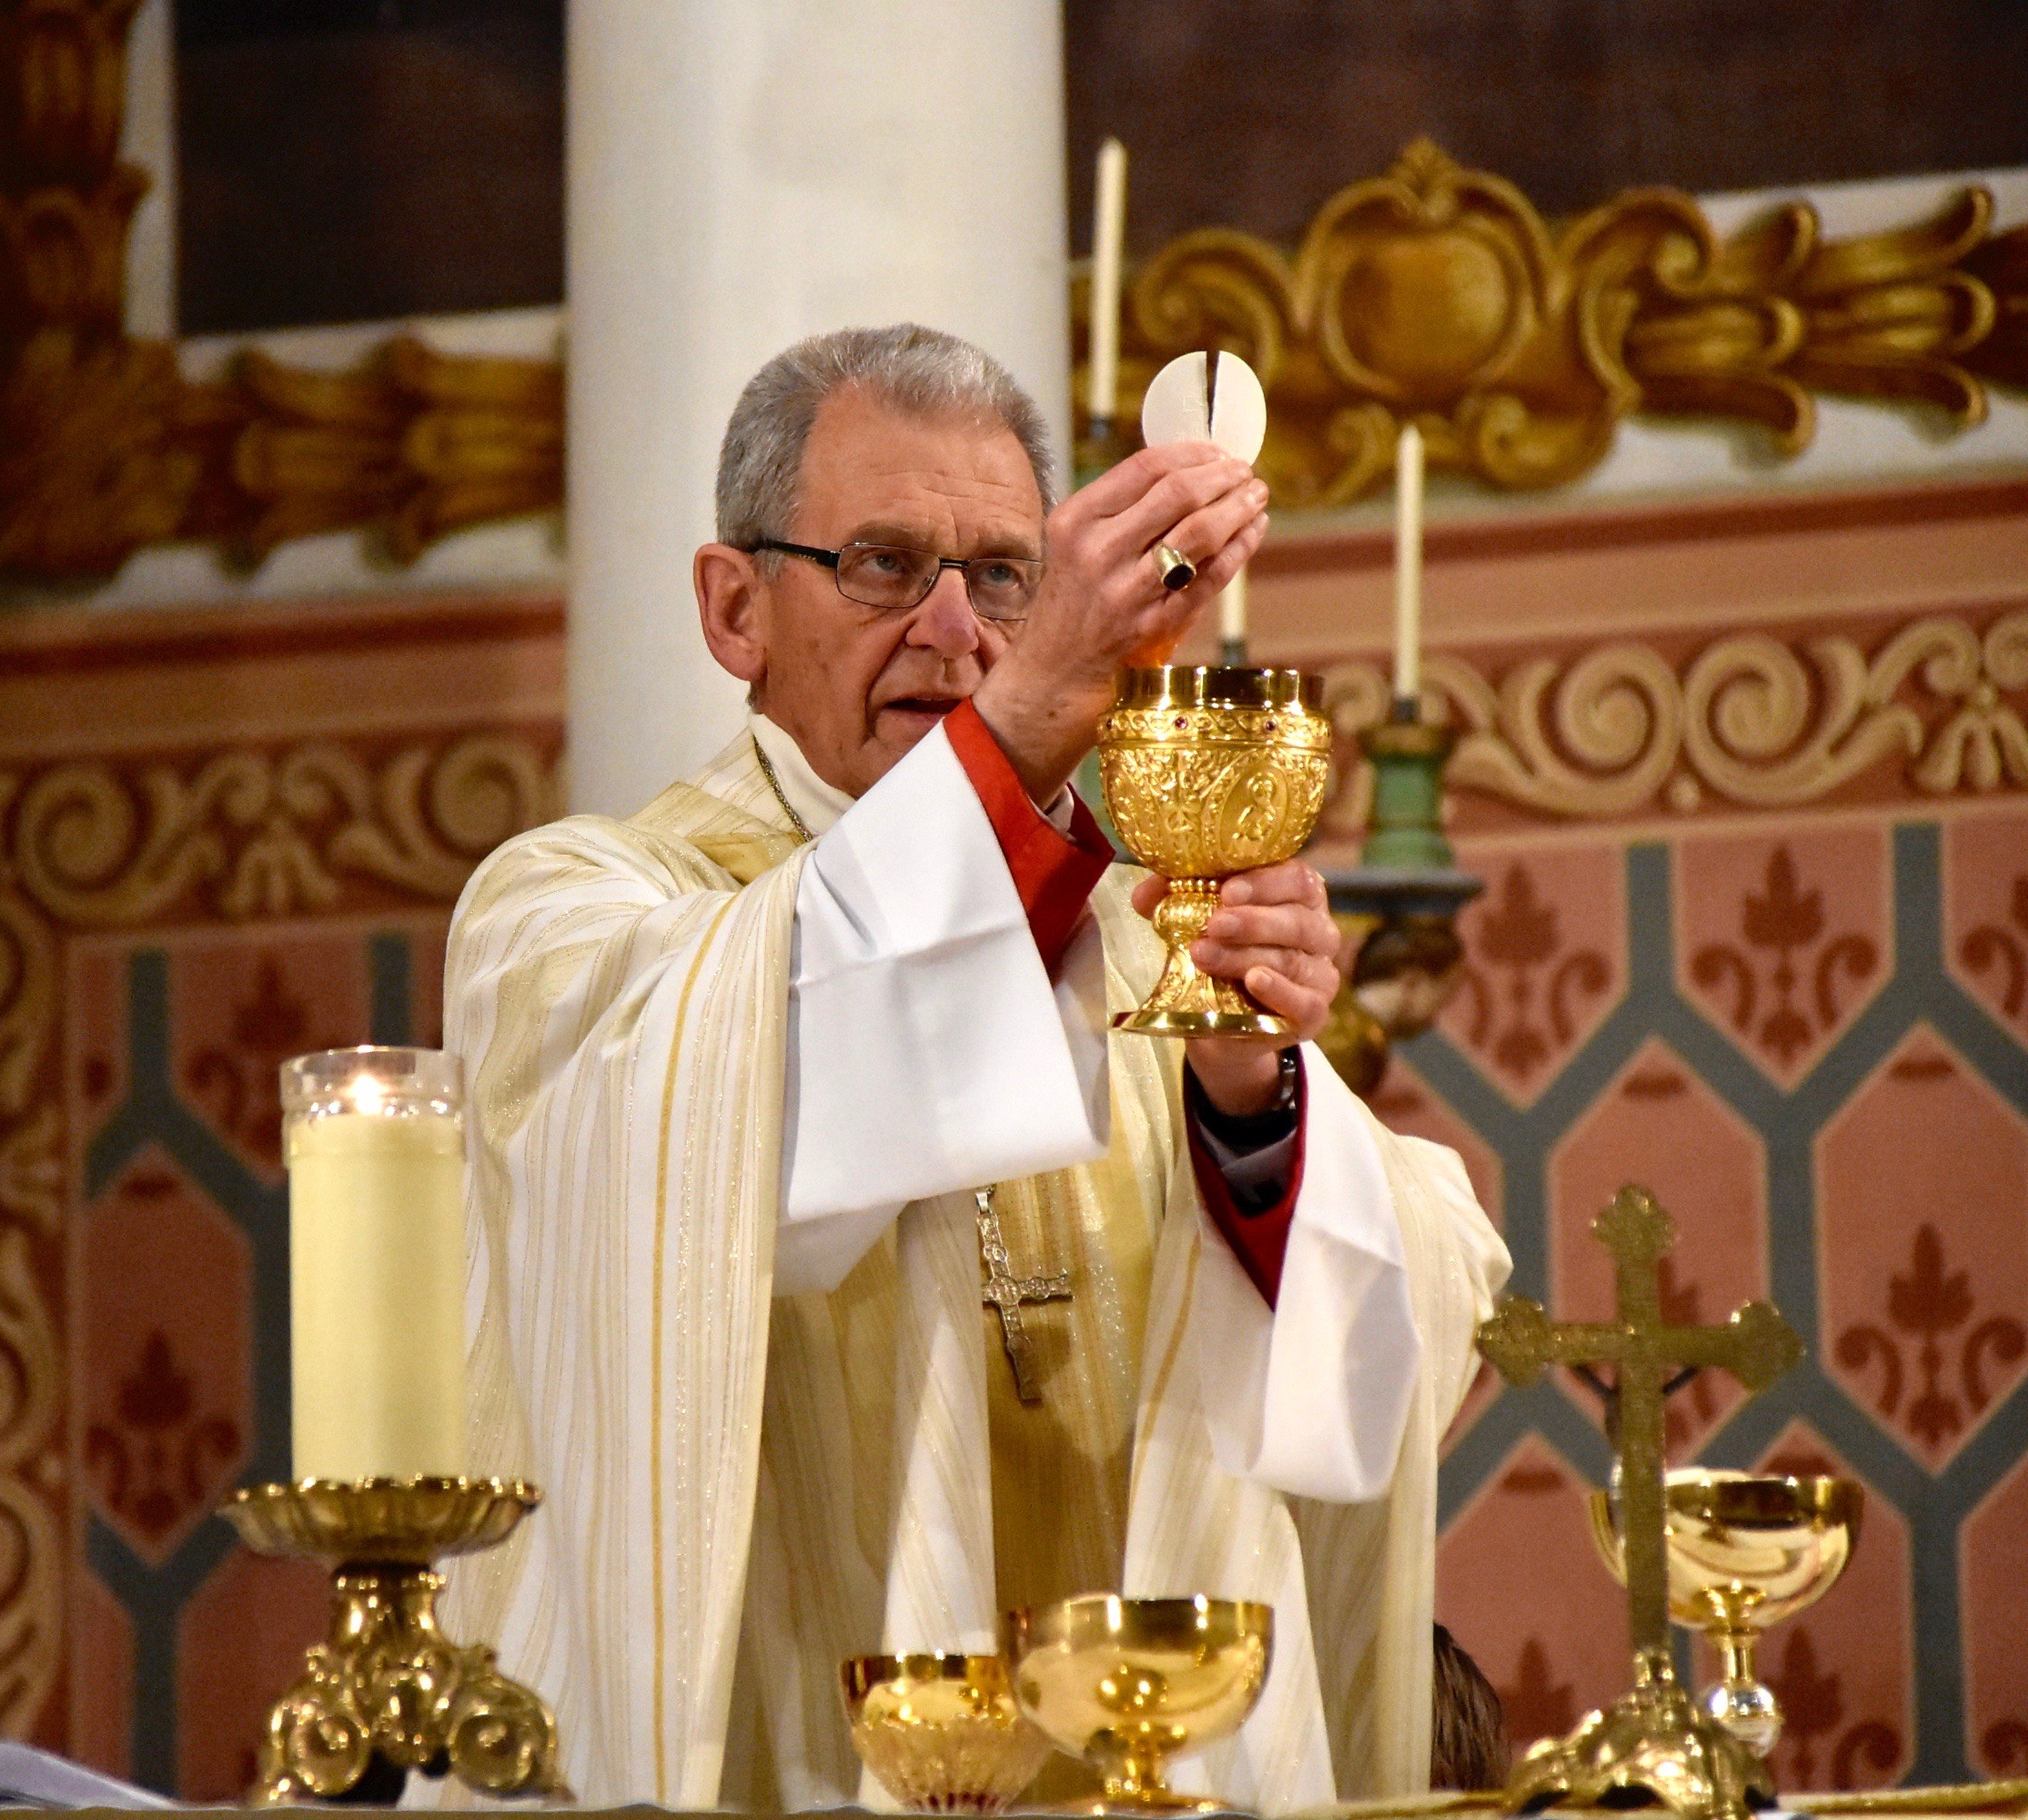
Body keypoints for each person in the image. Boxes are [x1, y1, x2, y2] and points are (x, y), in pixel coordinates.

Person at [438, 324, 1508, 1810]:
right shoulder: (570, 916)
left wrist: (1249, 1104)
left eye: (1006, 577)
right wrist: (1042, 704)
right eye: (884, 565)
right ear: (736, 607)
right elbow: (762, 1120)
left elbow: (1410, 1325)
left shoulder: (1131, 942)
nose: (957, 630)